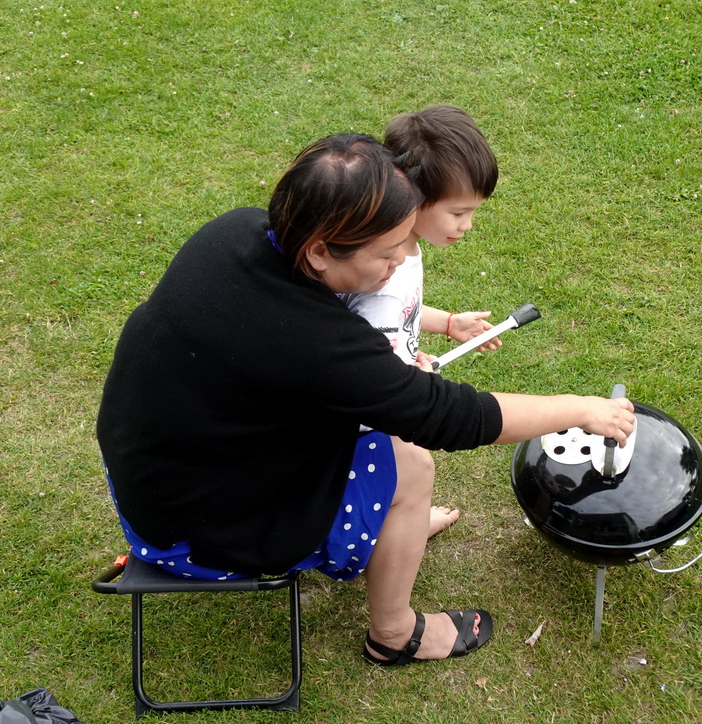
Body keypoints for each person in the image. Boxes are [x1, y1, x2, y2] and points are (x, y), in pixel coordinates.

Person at [96, 133, 634, 666]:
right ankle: (394, 634)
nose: (401, 262)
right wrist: (580, 409)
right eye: (387, 251)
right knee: (409, 463)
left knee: (386, 443)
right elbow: (455, 417)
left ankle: (393, 534)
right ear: (320, 251)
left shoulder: (237, 232)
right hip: (191, 530)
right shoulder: (318, 345)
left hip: (148, 472)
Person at [337, 105, 501, 536]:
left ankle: (403, 516)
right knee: (409, 470)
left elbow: (402, 314)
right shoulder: (382, 280)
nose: (467, 225)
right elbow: (374, 367)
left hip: (376, 394)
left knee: (407, 472)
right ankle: (400, 523)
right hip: (364, 417)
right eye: (459, 212)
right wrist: (414, 378)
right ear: (416, 198)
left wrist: (448, 323)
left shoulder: (399, 249)